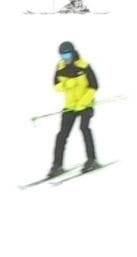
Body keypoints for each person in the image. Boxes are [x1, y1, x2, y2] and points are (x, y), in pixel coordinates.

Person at [47, 41, 100, 177]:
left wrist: (83, 102)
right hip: (70, 105)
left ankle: (92, 160)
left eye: (67, 55)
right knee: (62, 134)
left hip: (86, 104)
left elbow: (94, 86)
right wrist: (66, 85)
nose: (65, 58)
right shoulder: (59, 67)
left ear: (73, 52)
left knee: (84, 128)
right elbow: (56, 85)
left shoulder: (84, 65)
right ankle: (57, 165)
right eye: (62, 55)